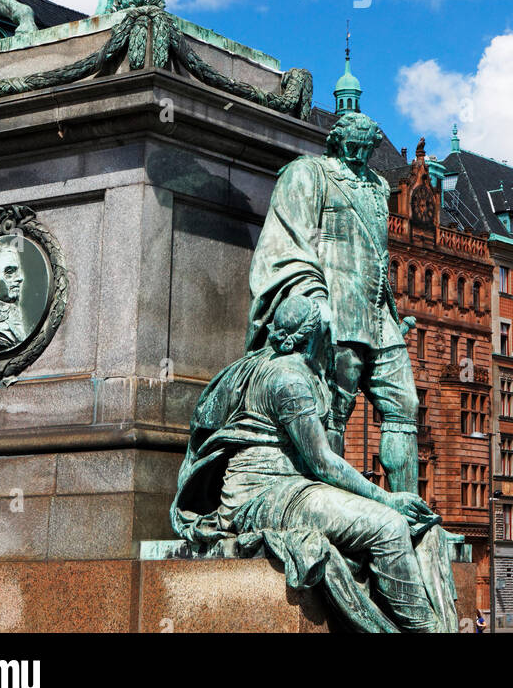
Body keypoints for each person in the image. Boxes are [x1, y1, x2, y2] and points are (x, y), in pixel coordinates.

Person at [172, 294, 458, 633]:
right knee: (389, 525)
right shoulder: (289, 381)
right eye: (326, 330)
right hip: (268, 494)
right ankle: (427, 630)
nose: (332, 336)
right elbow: (323, 461)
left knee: (403, 527)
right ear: (311, 336)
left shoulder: (268, 363)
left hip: (286, 487)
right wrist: (387, 498)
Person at [247, 113, 419, 492]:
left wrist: (391, 309)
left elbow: (376, 252)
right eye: (352, 147)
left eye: (367, 149)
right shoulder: (309, 173)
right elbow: (290, 241)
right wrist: (314, 299)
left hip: (378, 315)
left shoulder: (377, 186)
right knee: (334, 412)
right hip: (335, 309)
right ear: (337, 142)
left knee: (405, 407)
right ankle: (333, 504)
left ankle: (410, 513)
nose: (359, 156)